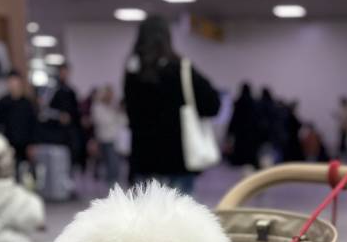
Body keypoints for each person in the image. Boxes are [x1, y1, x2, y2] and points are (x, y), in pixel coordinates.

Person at [123, 15, 220, 195]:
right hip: (179, 157)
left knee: (146, 217)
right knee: (180, 216)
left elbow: (130, 115)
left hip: (144, 159)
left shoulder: (132, 73)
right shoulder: (181, 68)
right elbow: (213, 105)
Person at [0, 69, 37, 168]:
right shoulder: (3, 102)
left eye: (15, 82)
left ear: (20, 83)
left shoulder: (27, 103)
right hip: (7, 144)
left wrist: (32, 144)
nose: (13, 85)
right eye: (10, 82)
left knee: (26, 172)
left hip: (24, 145)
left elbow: (33, 125)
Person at [49, 61, 85, 172]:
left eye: (66, 72)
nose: (64, 74)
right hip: (57, 132)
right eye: (62, 72)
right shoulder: (53, 91)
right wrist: (59, 116)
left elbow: (76, 111)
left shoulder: (71, 91)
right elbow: (47, 111)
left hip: (70, 132)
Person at [90, 85, 121, 188]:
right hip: (104, 139)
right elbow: (101, 121)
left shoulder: (112, 107)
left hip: (114, 139)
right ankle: (109, 185)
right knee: (110, 164)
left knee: (114, 164)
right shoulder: (97, 107)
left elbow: (121, 121)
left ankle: (112, 184)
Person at [225, 82, 261, 170]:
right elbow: (257, 118)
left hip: (240, 132)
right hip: (251, 132)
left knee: (240, 148)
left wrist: (229, 131)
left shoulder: (239, 102)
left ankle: (240, 161)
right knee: (250, 150)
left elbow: (235, 118)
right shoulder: (253, 102)